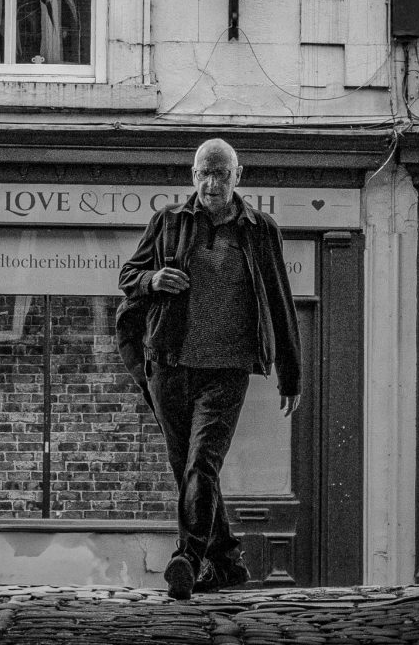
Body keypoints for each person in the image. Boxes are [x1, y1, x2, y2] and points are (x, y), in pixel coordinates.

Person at [117, 138, 301, 600]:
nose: (211, 183)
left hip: (227, 369)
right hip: (170, 365)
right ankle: (227, 562)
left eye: (221, 173)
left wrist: (291, 373)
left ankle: (187, 558)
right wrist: (152, 279)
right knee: (188, 468)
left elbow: (279, 301)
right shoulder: (169, 223)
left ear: (239, 176)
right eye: (203, 173)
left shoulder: (259, 229)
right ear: (192, 175)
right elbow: (127, 277)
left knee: (202, 462)